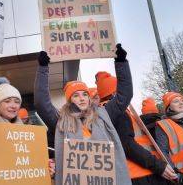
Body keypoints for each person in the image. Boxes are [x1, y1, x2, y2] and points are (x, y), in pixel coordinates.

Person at [34, 44, 133, 185]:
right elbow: (41, 103)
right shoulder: (61, 120)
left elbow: (125, 95)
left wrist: (121, 63)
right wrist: (43, 68)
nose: (82, 98)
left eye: (85, 94)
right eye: (76, 95)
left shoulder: (103, 113)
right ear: (69, 100)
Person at [95, 73, 176, 184]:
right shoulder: (118, 113)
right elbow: (128, 145)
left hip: (138, 172)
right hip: (142, 174)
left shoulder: (105, 112)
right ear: (115, 93)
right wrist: (158, 166)